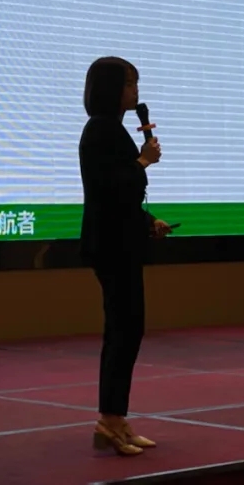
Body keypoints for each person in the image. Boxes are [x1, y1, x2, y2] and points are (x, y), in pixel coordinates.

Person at [79, 56, 172, 456]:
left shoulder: (112, 129)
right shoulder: (100, 130)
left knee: (128, 330)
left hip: (121, 241)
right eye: (130, 83)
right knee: (122, 332)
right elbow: (109, 187)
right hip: (111, 245)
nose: (136, 91)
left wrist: (148, 221)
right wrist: (143, 160)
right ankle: (109, 421)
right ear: (111, 88)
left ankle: (116, 418)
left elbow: (122, 196)